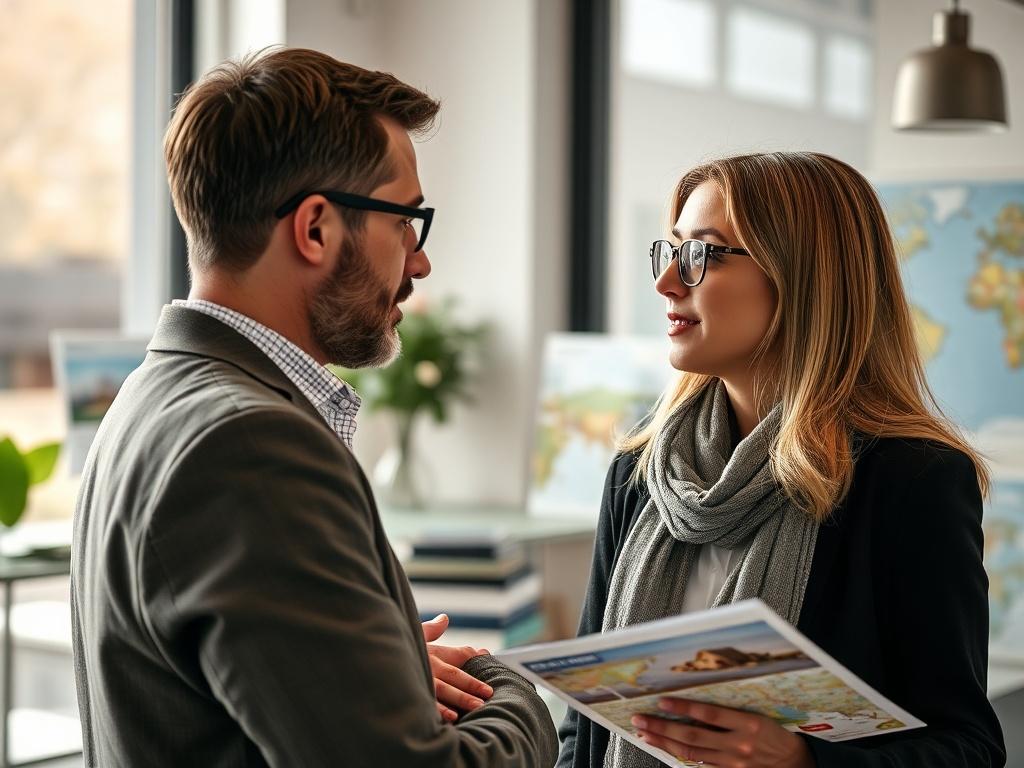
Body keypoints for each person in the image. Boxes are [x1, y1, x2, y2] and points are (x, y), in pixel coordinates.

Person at [71, 47, 557, 767]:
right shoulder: (250, 446)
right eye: (406, 222)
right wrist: (513, 686)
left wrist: (377, 676)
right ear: (317, 228)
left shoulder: (152, 397)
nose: (419, 261)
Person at [557, 152, 1006, 768]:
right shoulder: (641, 471)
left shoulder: (911, 479)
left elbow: (968, 747)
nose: (666, 283)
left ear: (803, 277)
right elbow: (585, 733)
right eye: (671, 251)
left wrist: (801, 762)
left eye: (703, 254)